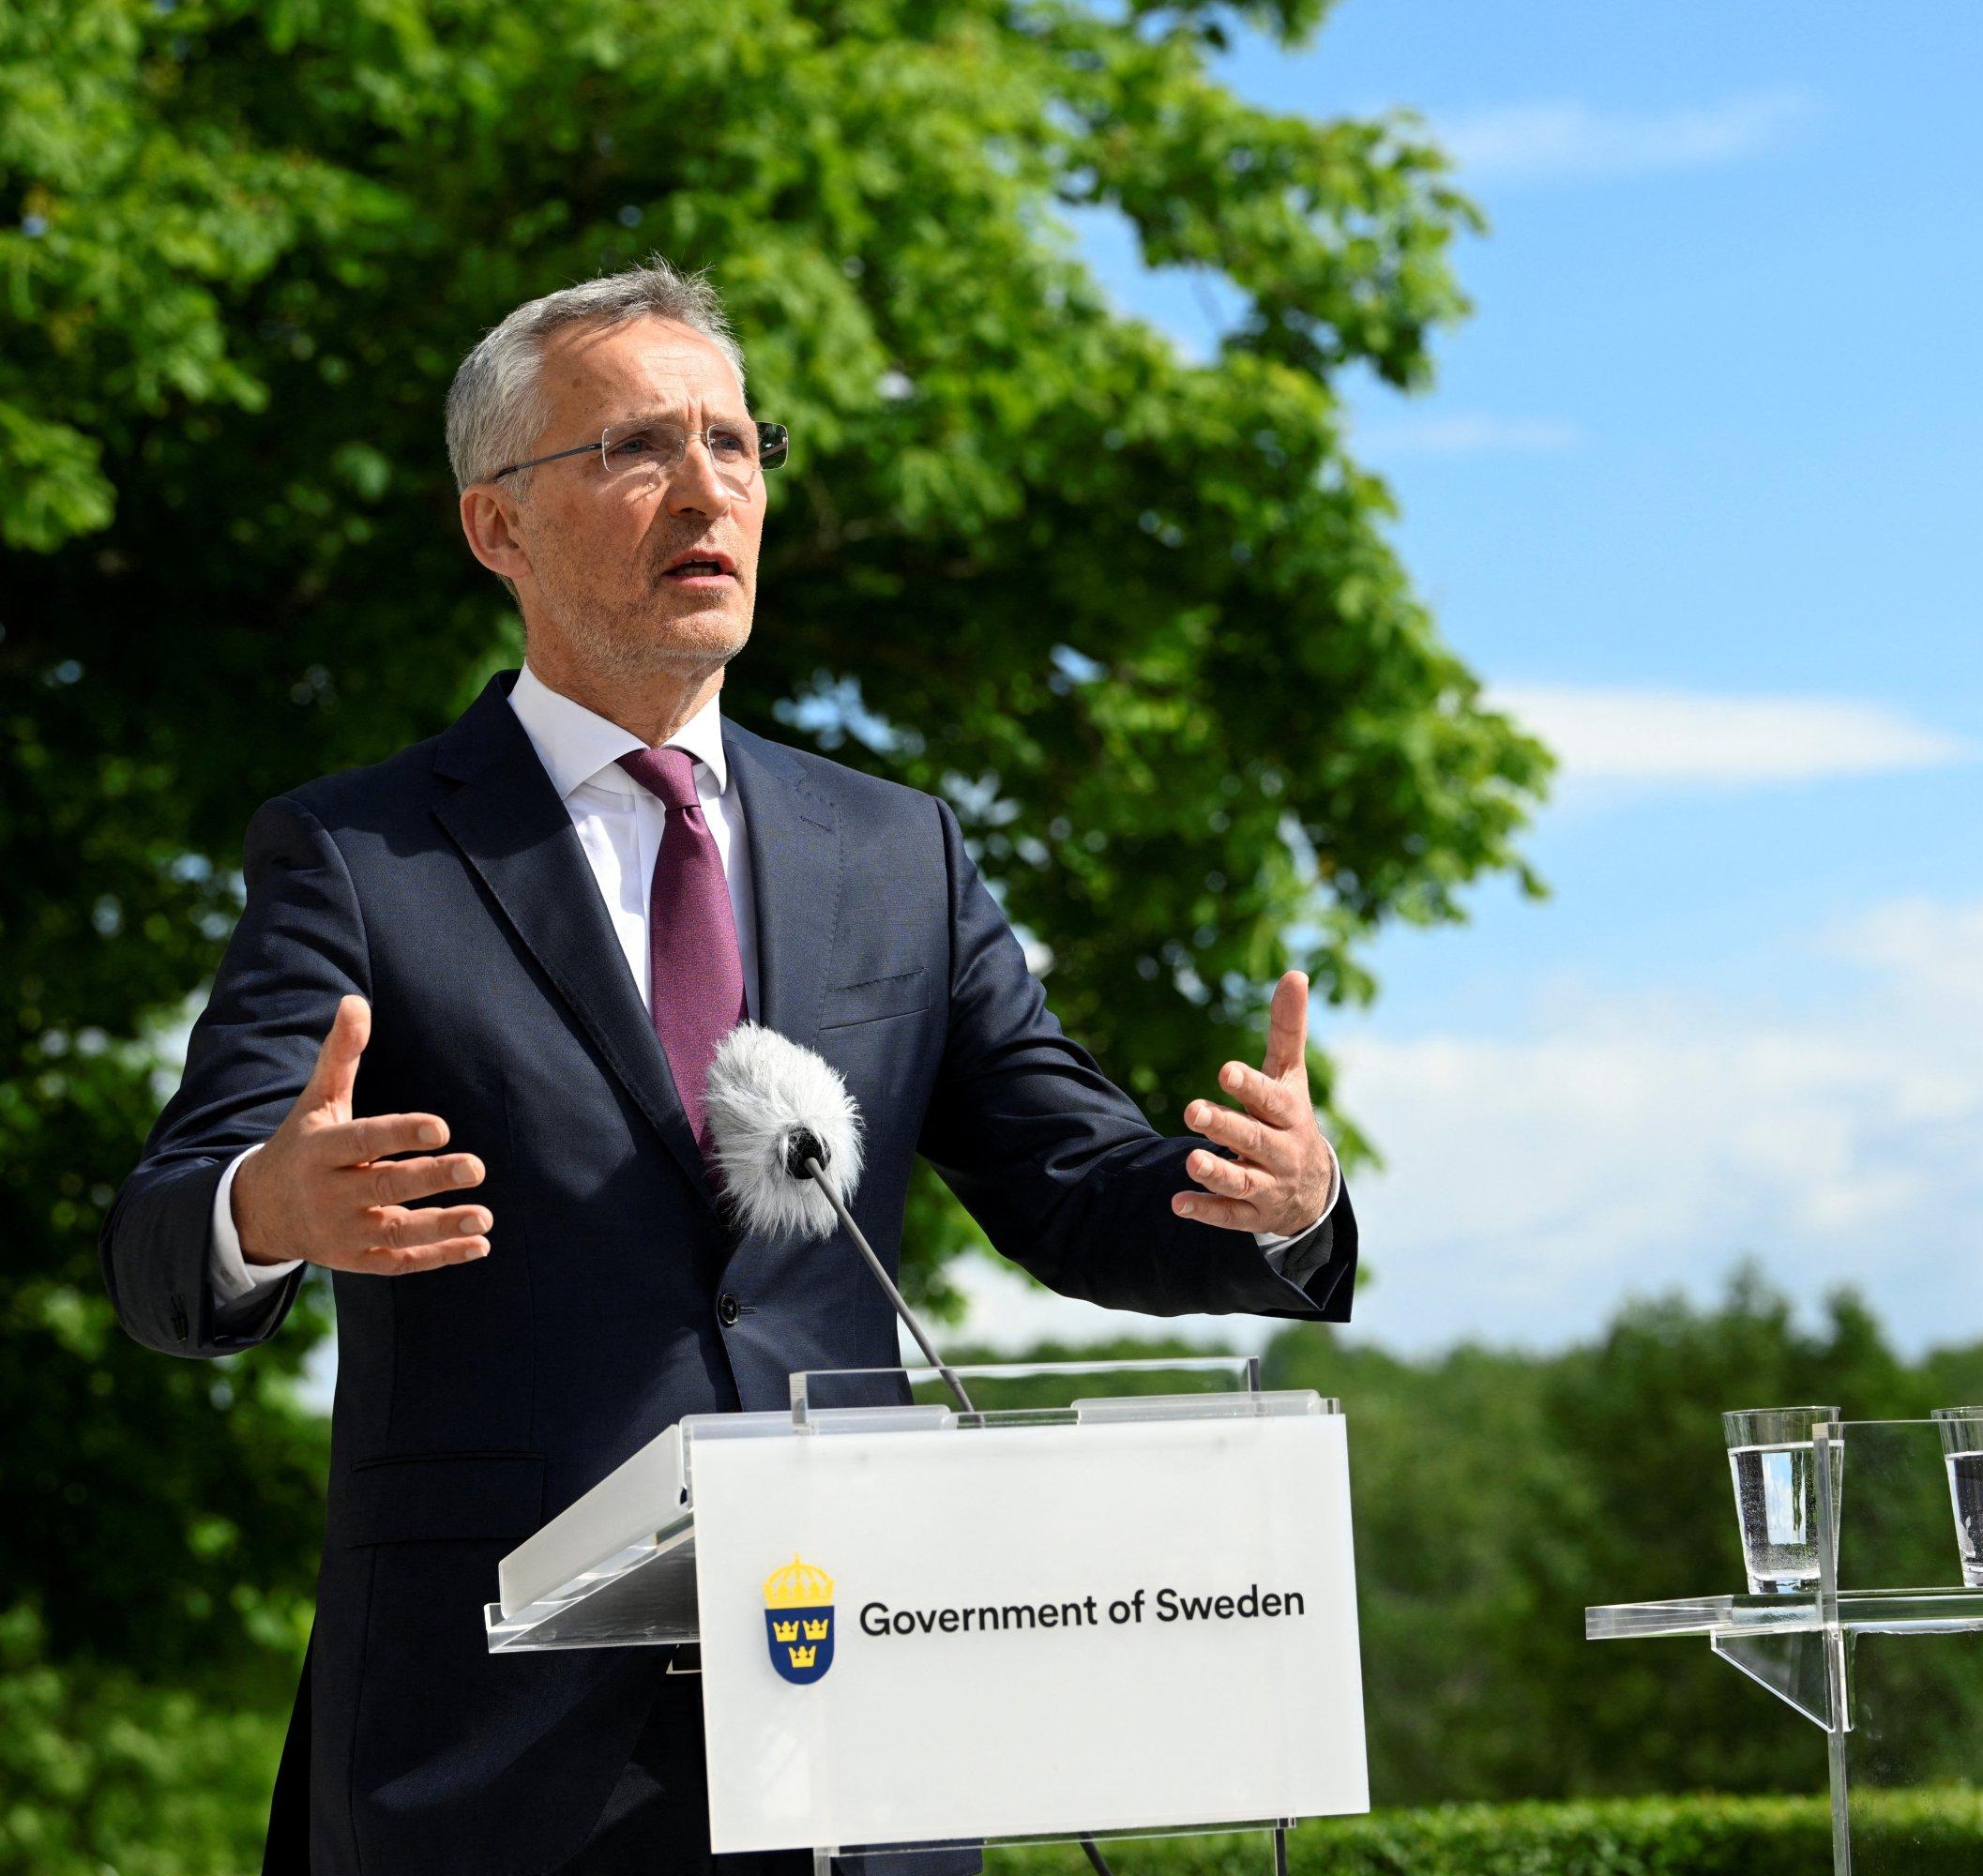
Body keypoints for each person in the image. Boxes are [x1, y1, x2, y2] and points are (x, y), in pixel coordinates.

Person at [98, 263, 1358, 1876]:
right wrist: (262, 1205)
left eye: (737, 444)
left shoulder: (896, 850)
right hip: (493, 1759)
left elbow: (1078, 1187)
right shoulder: (361, 855)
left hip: (859, 1722)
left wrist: (1277, 1199)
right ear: (497, 527)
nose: (707, 488)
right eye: (635, 449)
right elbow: (160, 1244)